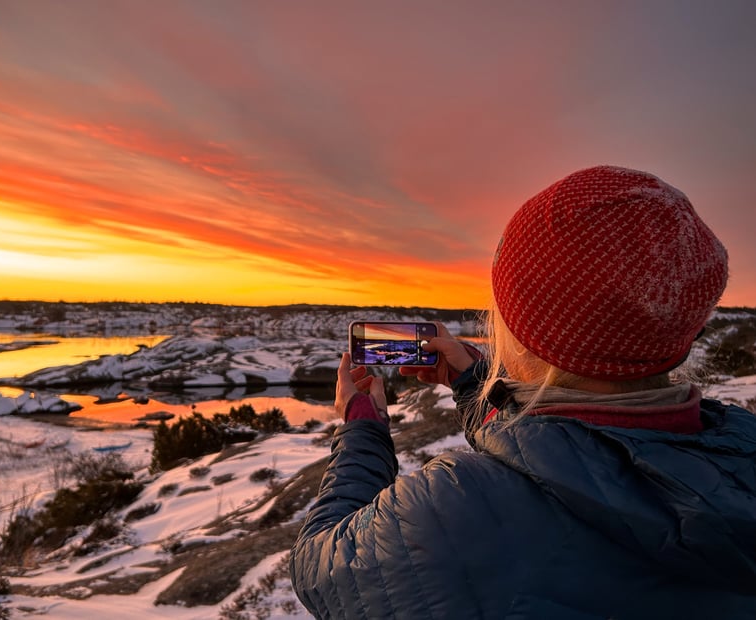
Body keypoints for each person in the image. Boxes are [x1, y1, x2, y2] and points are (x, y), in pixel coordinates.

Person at [289, 165, 756, 619]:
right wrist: (474, 385)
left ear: (530, 328)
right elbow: (573, 459)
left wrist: (362, 428)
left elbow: (318, 568)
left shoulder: (454, 509)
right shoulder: (739, 448)